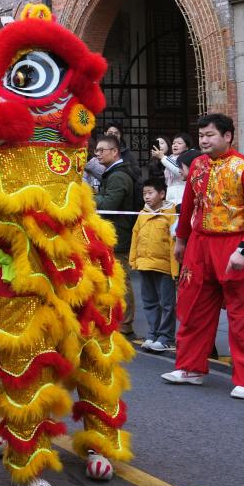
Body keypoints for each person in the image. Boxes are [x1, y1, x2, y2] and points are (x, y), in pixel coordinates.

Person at [163, 113, 244, 399]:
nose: (204, 140)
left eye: (210, 135)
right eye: (201, 136)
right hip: (200, 243)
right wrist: (181, 240)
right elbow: (188, 206)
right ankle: (190, 367)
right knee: (193, 306)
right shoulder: (197, 165)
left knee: (243, 312)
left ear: (228, 136)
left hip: (234, 243)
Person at [93, 133, 139, 336]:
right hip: (114, 233)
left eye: (101, 150)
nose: (97, 154)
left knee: (122, 278)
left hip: (119, 234)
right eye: (96, 150)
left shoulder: (118, 176)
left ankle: (125, 322)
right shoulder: (113, 173)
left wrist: (91, 196)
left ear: (114, 152)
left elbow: (108, 205)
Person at [129, 179, 178, 352]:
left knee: (167, 304)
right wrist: (134, 260)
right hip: (144, 264)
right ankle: (152, 334)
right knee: (149, 302)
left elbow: (174, 242)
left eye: (150, 193)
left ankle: (166, 337)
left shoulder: (171, 214)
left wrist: (175, 269)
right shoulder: (142, 214)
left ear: (162, 194)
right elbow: (135, 236)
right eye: (144, 193)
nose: (146, 197)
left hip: (164, 266)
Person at [149, 132, 193, 208]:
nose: (175, 145)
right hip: (170, 199)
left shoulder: (188, 157)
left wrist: (162, 157)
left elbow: (179, 171)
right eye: (173, 143)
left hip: (183, 198)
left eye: (179, 143)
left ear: (187, 147)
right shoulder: (170, 158)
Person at [104, 122, 143, 187]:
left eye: (116, 133)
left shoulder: (127, 154)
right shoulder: (99, 151)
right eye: (110, 133)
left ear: (120, 135)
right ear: (105, 134)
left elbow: (137, 174)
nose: (113, 135)